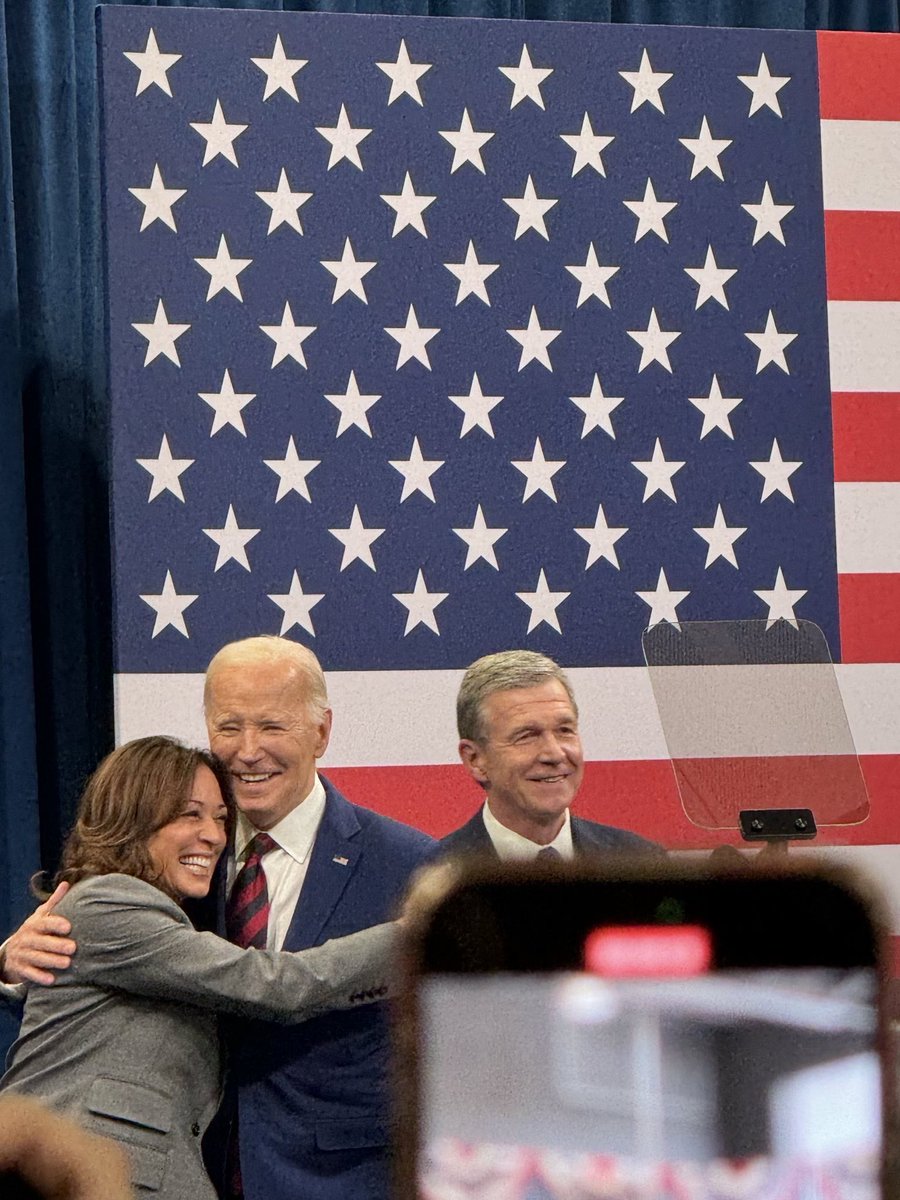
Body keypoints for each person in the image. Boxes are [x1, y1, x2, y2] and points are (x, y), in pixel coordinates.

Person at [2, 636, 437, 1200]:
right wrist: (12, 963)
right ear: (139, 818)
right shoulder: (161, 880)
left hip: (332, 1179)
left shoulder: (411, 866)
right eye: (230, 728)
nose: (249, 750)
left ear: (322, 732)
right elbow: (270, 985)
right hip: (113, 1174)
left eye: (272, 726)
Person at [442, 650, 663, 859]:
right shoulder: (429, 875)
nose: (555, 754)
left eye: (564, 731)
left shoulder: (642, 862)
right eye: (527, 736)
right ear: (476, 760)